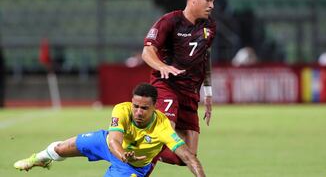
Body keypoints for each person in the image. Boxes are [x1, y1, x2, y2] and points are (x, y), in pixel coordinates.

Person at [13, 83, 206, 177]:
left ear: (155, 107)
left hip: (132, 167)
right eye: (135, 106)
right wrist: (123, 155)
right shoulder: (121, 109)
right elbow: (114, 140)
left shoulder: (162, 126)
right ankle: (39, 159)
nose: (138, 112)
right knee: (61, 148)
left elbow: (189, 157)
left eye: (144, 108)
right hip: (109, 145)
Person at [142, 0, 216, 169]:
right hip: (167, 86)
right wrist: (162, 66)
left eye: (213, 1)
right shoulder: (170, 21)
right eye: (208, 0)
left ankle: (141, 145)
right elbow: (147, 51)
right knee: (164, 136)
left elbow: (204, 58)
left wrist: (208, 92)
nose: (212, 5)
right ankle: (131, 153)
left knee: (186, 158)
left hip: (189, 94)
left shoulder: (209, 27)